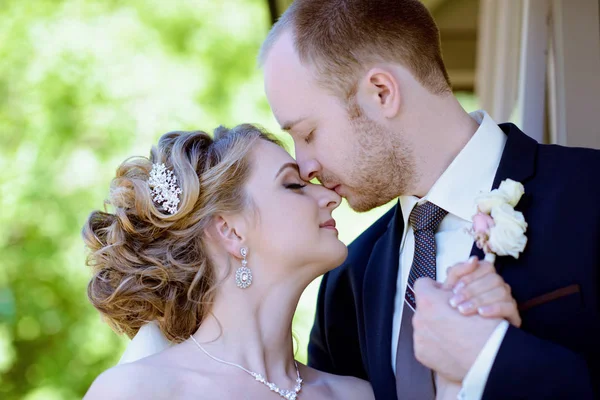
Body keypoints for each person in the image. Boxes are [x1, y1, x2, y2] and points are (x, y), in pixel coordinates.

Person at [260, 0, 600, 399]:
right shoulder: (347, 280)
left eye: (308, 132)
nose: (304, 166)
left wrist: (492, 359)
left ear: (382, 92)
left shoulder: (590, 193)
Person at [82, 124, 518, 399]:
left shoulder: (356, 394)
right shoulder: (138, 391)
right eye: (292, 185)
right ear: (230, 230)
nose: (329, 196)